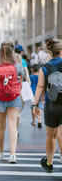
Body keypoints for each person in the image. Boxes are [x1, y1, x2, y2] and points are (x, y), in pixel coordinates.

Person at [33, 39, 62, 172]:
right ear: (61, 51)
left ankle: (49, 163)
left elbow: (40, 87)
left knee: (51, 136)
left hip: (51, 105)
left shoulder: (44, 67)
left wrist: (35, 105)